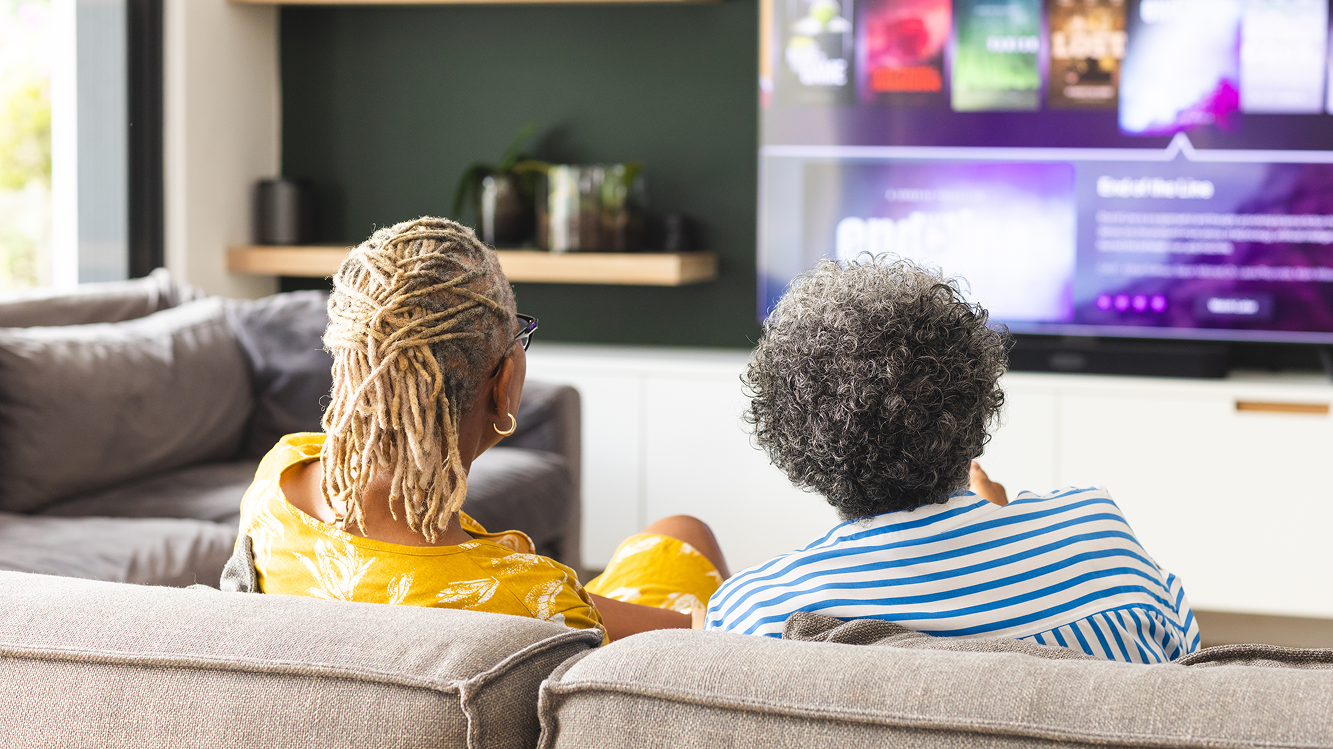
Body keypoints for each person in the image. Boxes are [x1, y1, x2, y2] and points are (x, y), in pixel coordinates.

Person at [235, 217, 727, 643]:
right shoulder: (530, 602)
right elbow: (695, 643)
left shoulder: (279, 480)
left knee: (676, 531)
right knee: (689, 535)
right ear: (505, 381)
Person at [704, 257, 1200, 663]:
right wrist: (997, 522)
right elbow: (1186, 662)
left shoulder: (759, 617)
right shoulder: (1099, 535)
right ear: (977, 404)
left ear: (793, 446)